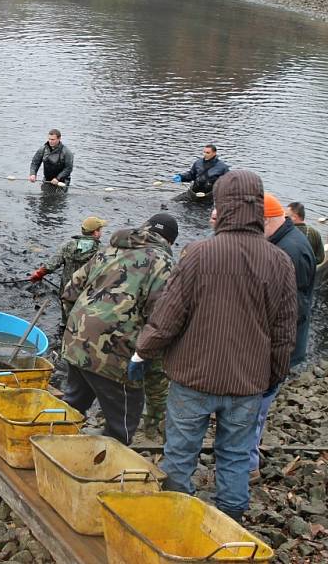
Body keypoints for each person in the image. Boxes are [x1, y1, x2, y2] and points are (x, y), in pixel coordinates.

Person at [134, 171, 298, 523]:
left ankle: (177, 515)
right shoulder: (280, 261)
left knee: (180, 451)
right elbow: (285, 330)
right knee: (236, 454)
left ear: (221, 207)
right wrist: (275, 374)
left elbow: (168, 316)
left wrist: (141, 351)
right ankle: (231, 520)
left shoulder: (197, 254)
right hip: (247, 383)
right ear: (257, 208)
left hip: (193, 377)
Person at [60, 213, 177, 445]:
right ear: (170, 242)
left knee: (72, 404)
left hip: (75, 340)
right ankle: (105, 466)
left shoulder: (108, 250)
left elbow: (70, 290)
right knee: (122, 422)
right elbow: (159, 323)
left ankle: (53, 446)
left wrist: (75, 327)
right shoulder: (165, 265)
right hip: (117, 355)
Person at [247, 193, 316, 481]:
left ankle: (248, 465)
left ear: (267, 221)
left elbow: (295, 308)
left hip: (279, 347)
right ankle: (249, 452)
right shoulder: (283, 242)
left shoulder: (291, 252)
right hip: (276, 344)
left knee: (255, 408)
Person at [30, 216, 106, 289]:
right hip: (85, 295)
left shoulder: (68, 245)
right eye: (100, 230)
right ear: (96, 233)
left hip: (66, 291)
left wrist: (38, 274)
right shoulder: (102, 250)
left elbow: (51, 264)